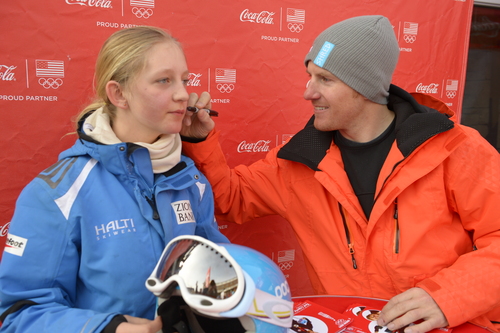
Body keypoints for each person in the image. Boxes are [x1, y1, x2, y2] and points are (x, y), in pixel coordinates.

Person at [180, 15, 500, 333]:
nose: (308, 92)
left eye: (325, 80)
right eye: (310, 76)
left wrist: (447, 297)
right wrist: (197, 140)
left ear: (366, 88)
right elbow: (229, 198)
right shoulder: (300, 159)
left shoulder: (453, 148)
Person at [0, 26, 228, 333]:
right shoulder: (58, 192)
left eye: (185, 80)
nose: (182, 94)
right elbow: (18, 314)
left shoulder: (190, 181)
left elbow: (218, 278)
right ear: (119, 94)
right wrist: (110, 328)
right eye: (164, 80)